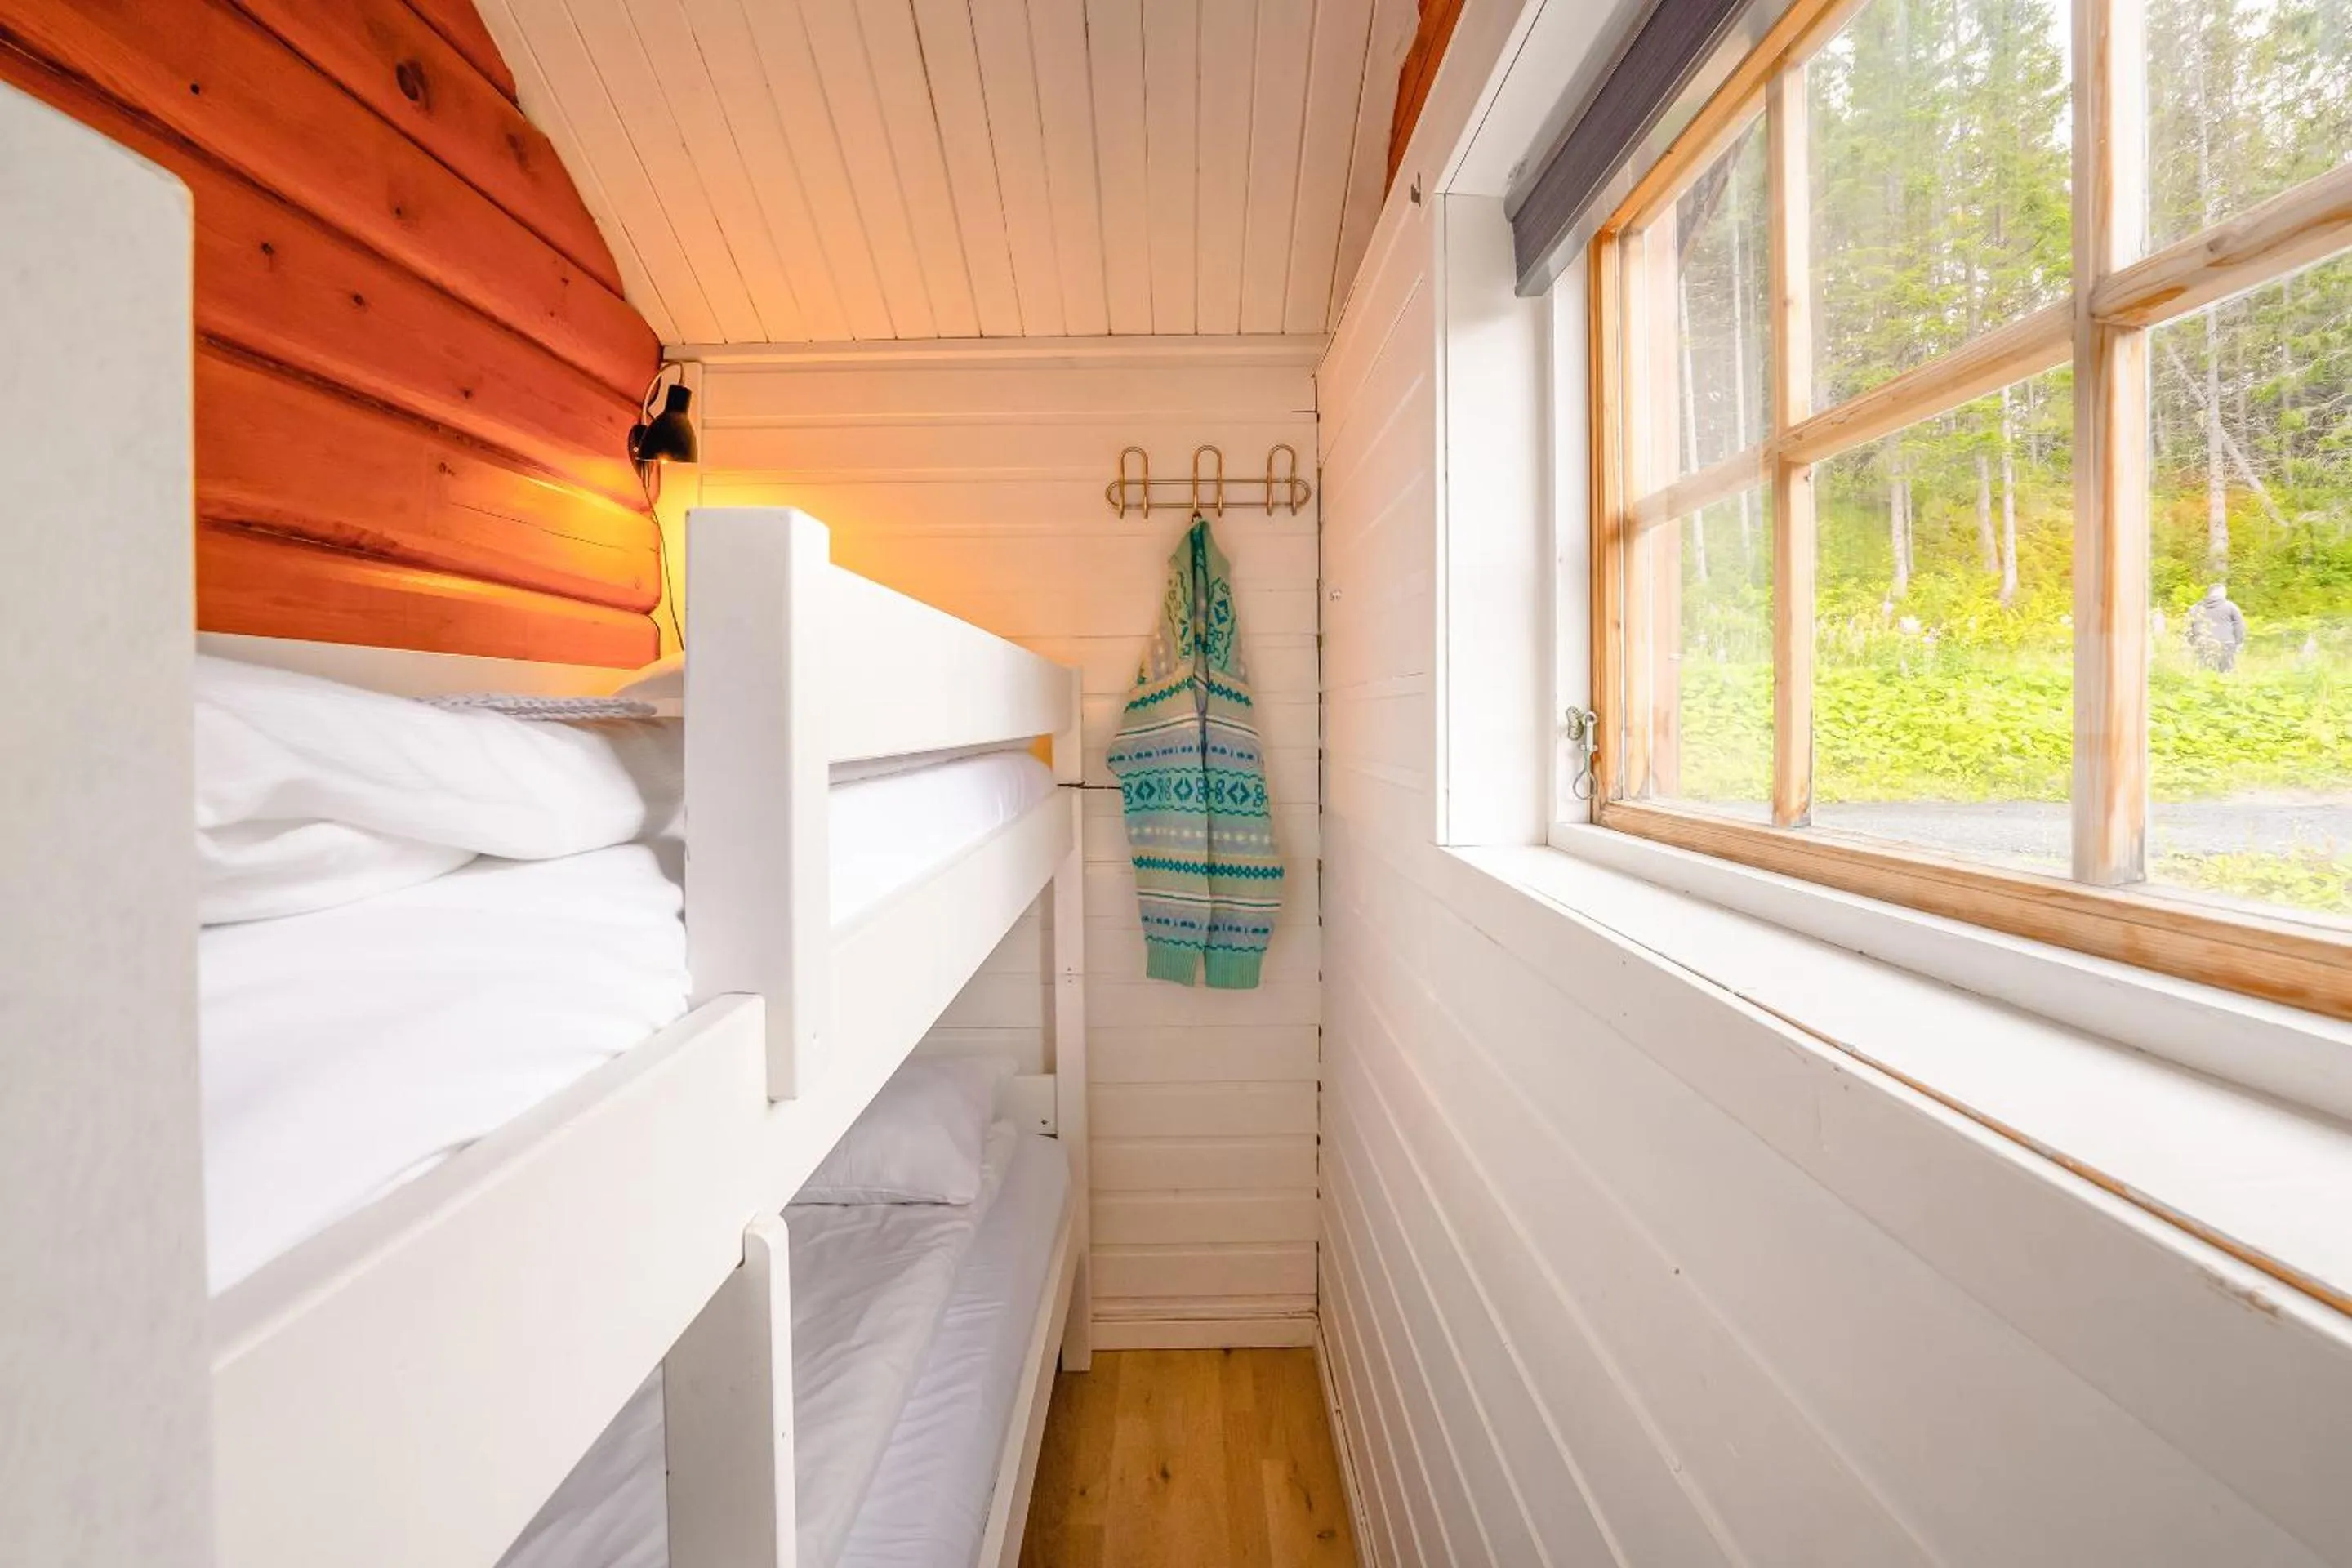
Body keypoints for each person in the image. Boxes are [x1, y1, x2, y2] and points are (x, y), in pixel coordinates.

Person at [2187, 581, 2247, 672]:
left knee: (2204, 675)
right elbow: (2239, 626)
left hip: (2203, 644)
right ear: (2223, 593)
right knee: (2226, 675)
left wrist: (2193, 643)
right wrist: (2239, 642)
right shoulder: (2230, 606)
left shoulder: (2196, 607)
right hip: (2226, 645)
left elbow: (2189, 627)